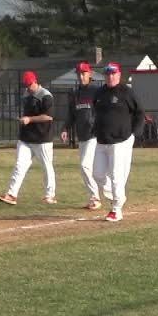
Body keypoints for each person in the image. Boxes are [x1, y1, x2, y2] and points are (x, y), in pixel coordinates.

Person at [92, 62, 144, 222]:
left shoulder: (126, 92)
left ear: (119, 75)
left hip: (121, 140)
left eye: (113, 73)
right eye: (108, 74)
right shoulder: (99, 93)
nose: (110, 76)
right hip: (102, 141)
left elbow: (139, 112)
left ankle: (116, 210)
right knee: (97, 174)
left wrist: (135, 133)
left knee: (116, 175)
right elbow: (97, 114)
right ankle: (118, 197)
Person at [0, 71, 57, 205]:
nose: (28, 88)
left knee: (47, 167)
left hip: (42, 139)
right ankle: (11, 195)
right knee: (20, 165)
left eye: (30, 85)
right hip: (26, 138)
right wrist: (25, 119)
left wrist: (30, 119)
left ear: (35, 81)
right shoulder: (26, 94)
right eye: (26, 85)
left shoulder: (46, 95)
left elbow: (48, 116)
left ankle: (50, 196)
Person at [60, 61, 111, 210]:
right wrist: (65, 128)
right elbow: (71, 114)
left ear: (89, 74)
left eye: (84, 73)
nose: (81, 76)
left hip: (94, 135)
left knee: (84, 166)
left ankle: (97, 197)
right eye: (79, 74)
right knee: (93, 170)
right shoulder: (74, 93)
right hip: (82, 135)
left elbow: (105, 110)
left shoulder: (96, 91)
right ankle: (109, 194)